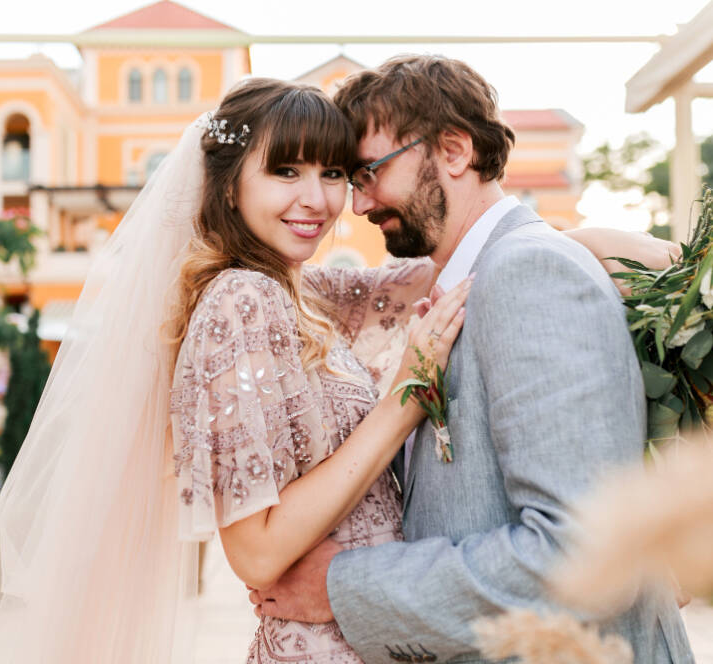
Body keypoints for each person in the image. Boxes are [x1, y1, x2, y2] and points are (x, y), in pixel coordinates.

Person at [0, 75, 678, 663]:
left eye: (339, 172)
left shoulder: (310, 296)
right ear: (228, 185)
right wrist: (403, 396)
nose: (331, 200)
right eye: (286, 171)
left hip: (385, 633)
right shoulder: (238, 302)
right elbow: (255, 552)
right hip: (321, 641)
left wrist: (647, 270)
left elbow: (467, 265)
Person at [248, 56, 693, 663]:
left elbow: (579, 550)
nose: (357, 205)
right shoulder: (477, 278)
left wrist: (342, 585)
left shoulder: (528, 274)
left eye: (369, 173)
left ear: (454, 150)